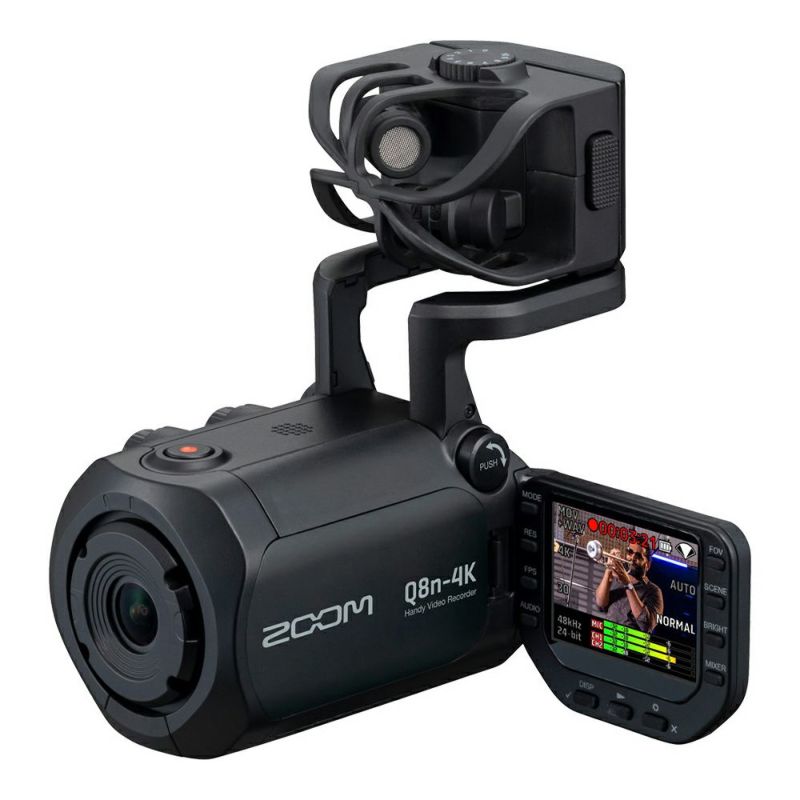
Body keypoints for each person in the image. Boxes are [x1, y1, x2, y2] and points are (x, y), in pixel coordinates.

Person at [594, 541, 663, 632]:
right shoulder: (617, 579)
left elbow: (646, 624)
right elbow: (600, 604)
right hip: (608, 634)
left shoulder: (654, 590)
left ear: (648, 565)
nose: (633, 558)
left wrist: (627, 584)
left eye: (638, 556)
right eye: (630, 552)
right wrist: (608, 571)